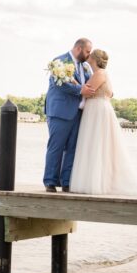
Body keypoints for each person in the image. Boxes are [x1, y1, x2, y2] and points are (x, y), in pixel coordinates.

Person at [68, 49, 137, 195]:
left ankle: (96, 183)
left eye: (90, 54)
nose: (88, 56)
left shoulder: (99, 74)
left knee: (96, 144)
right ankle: (94, 181)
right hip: (96, 109)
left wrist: (71, 80)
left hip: (97, 110)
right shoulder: (98, 73)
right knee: (94, 143)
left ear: (94, 59)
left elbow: (87, 91)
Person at [43, 38, 96, 192]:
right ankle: (50, 181)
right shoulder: (59, 61)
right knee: (56, 147)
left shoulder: (84, 67)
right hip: (60, 112)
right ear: (79, 48)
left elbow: (90, 84)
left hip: (78, 113)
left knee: (72, 148)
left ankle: (66, 182)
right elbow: (59, 84)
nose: (89, 55)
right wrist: (81, 90)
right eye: (87, 52)